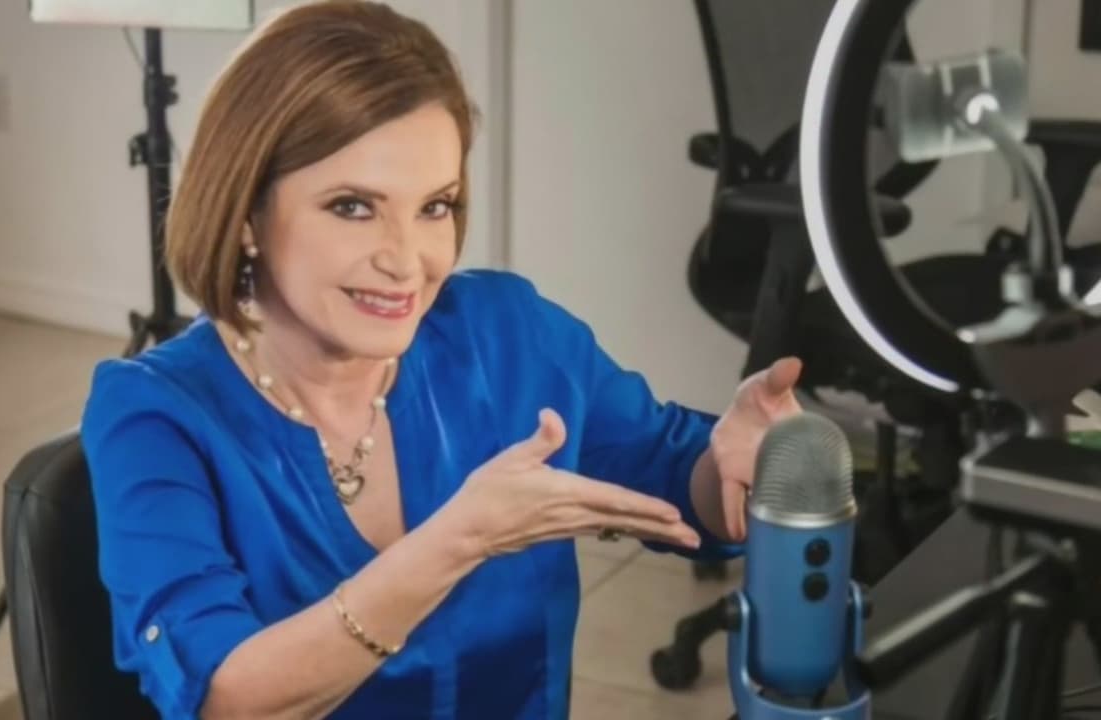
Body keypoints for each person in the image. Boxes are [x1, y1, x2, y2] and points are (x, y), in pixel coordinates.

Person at [80, 1, 804, 718]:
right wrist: (460, 540)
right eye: (353, 206)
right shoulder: (153, 412)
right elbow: (225, 699)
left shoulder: (508, 332)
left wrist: (739, 468)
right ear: (246, 215)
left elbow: (676, 479)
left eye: (435, 206)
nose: (408, 260)